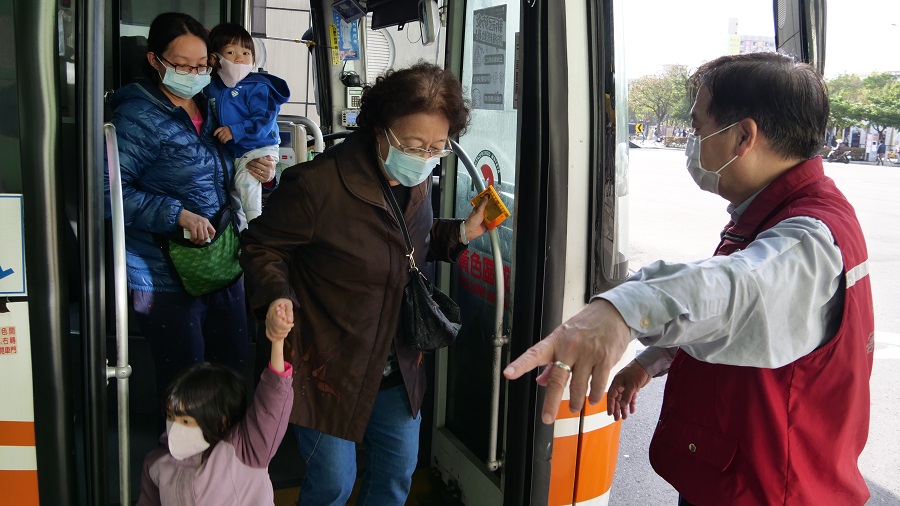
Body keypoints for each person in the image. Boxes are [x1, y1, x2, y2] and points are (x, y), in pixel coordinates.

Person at [504, 52, 874, 505]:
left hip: (772, 490)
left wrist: (622, 309)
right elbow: (738, 320)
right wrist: (652, 360)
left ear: (743, 136)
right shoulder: (779, 212)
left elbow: (735, 290)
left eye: (698, 128)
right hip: (743, 478)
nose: (692, 143)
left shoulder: (808, 239)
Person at [240, 62, 490, 505]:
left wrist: (464, 232)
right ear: (379, 129)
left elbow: (411, 245)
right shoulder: (317, 185)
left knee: (396, 476)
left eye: (437, 147)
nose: (425, 157)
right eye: (413, 145)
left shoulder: (417, 181)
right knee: (333, 484)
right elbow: (262, 247)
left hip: (398, 363)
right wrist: (277, 295)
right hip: (330, 364)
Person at [105, 12, 277, 400]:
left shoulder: (213, 105)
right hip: (163, 272)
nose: (196, 73)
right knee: (186, 383)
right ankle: (183, 459)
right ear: (155, 61)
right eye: (183, 66)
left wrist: (262, 172)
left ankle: (226, 460)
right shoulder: (135, 117)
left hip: (220, 258)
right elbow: (107, 191)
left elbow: (231, 166)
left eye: (203, 65)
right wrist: (175, 214)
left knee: (231, 371)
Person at [136, 301, 294, 505]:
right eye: (170, 417)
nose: (174, 428)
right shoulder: (156, 463)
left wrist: (277, 343)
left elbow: (271, 407)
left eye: (186, 421)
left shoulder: (244, 450)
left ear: (220, 421)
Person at [207, 23, 290, 230]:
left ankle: (256, 232)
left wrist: (235, 131)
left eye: (246, 52)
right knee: (235, 196)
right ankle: (243, 233)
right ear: (214, 58)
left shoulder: (257, 87)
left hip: (258, 147)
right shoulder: (212, 88)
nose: (239, 58)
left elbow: (264, 119)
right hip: (237, 151)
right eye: (231, 52)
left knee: (247, 187)